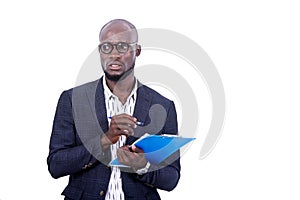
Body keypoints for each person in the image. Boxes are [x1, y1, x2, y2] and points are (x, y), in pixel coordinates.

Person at [47, 19, 180, 200]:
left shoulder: (163, 106)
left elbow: (171, 179)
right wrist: (104, 140)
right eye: (106, 47)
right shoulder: (72, 100)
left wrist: (142, 166)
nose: (114, 54)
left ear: (137, 51)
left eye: (122, 47)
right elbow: (56, 165)